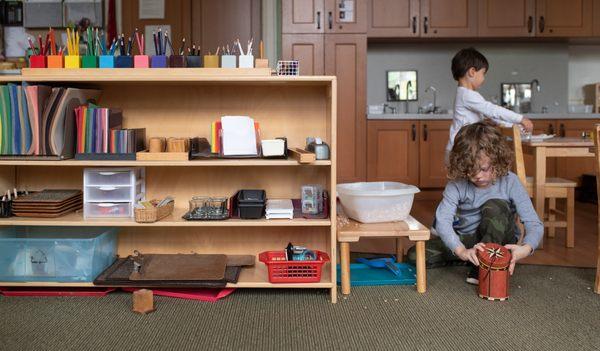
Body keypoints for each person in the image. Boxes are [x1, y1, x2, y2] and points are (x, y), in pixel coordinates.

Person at [410, 121, 543, 285]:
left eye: (484, 169)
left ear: (497, 160)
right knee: (414, 256)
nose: (478, 176)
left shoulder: (511, 182)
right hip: (468, 239)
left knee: (495, 205)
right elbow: (443, 222)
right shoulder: (457, 184)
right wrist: (462, 251)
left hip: (500, 238)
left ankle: (483, 266)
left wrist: (526, 248)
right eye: (471, 169)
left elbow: (534, 223)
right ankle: (471, 259)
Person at [446, 47, 534, 161]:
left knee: (466, 177)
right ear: (472, 72)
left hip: (461, 148)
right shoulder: (467, 95)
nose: (484, 78)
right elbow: (493, 110)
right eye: (483, 73)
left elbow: (491, 116)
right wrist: (520, 119)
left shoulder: (465, 94)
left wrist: (513, 126)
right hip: (461, 150)